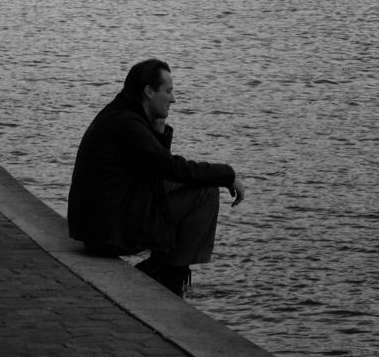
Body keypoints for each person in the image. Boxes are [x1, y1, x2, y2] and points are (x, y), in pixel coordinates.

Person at [67, 58, 245, 296]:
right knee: (206, 192)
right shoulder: (127, 124)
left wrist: (159, 127)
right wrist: (227, 175)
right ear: (149, 91)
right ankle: (169, 276)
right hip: (108, 234)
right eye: (168, 92)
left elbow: (156, 166)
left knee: (192, 184)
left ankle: (161, 266)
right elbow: (170, 167)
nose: (173, 99)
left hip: (102, 225)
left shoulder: (121, 114)